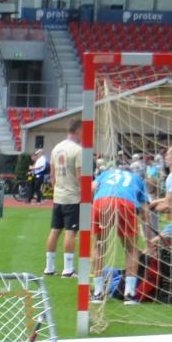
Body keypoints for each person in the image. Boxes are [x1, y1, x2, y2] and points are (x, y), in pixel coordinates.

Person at [92, 160, 148, 304]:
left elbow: (92, 188)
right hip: (126, 203)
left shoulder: (106, 174)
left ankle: (98, 292)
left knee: (99, 246)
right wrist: (148, 239)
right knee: (131, 249)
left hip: (102, 201)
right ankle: (129, 294)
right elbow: (145, 212)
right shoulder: (137, 179)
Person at [43, 119, 84, 277]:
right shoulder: (78, 150)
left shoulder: (56, 148)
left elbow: (52, 175)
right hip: (72, 196)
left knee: (54, 231)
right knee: (70, 232)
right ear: (78, 130)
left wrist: (56, 190)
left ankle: (49, 267)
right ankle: (68, 269)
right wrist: (87, 195)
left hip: (58, 195)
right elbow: (80, 176)